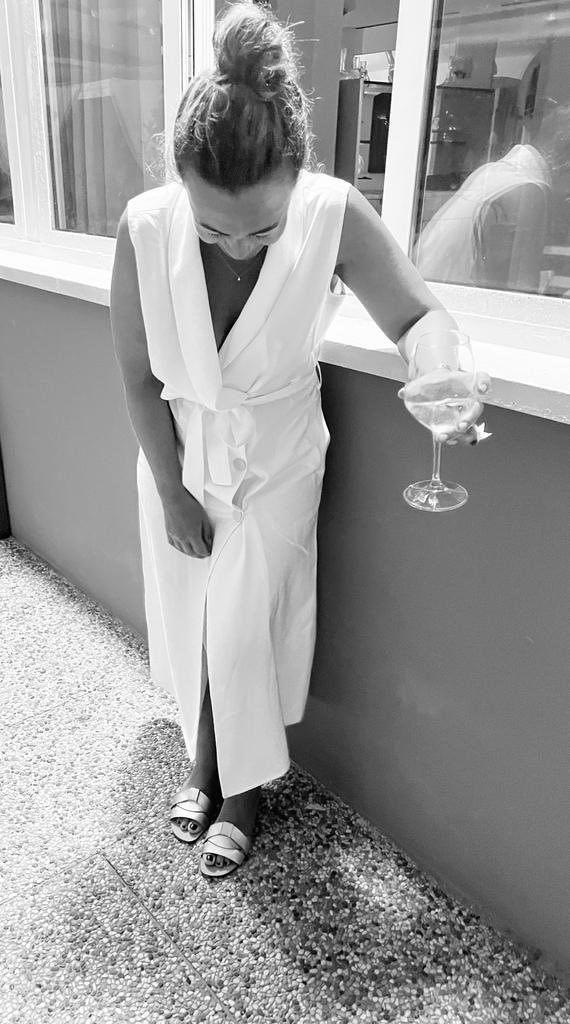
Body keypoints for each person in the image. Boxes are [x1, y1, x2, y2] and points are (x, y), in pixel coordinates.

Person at [110, 1, 488, 880]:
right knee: (198, 620)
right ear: (179, 183)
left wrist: (444, 373)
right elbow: (136, 377)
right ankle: (204, 762)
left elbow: (420, 317)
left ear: (298, 177)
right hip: (178, 457)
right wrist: (170, 491)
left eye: (264, 228)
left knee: (248, 625)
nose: (241, 245)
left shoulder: (332, 211)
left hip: (279, 458)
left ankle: (241, 793)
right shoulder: (144, 226)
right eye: (215, 228)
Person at [414, 103, 570, 293]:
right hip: (444, 300)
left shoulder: (499, 172)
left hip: (425, 290)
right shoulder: (529, 188)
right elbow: (520, 291)